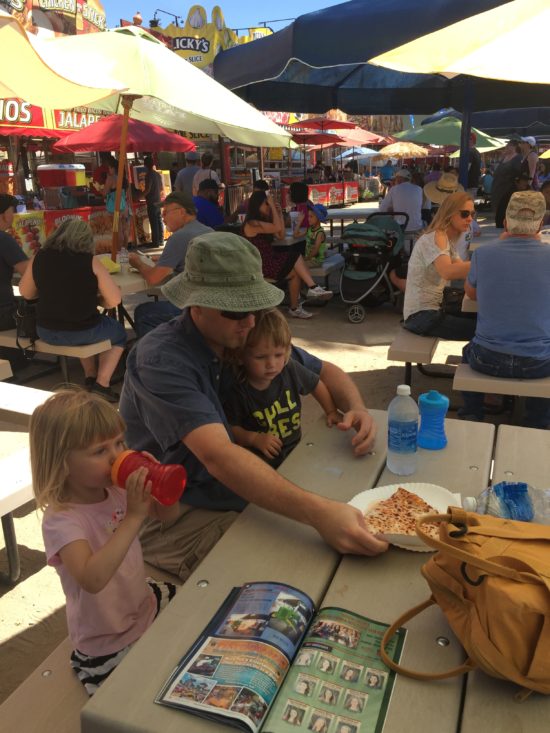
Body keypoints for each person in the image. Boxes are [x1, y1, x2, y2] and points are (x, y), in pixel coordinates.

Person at [118, 232, 387, 581]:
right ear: (194, 305)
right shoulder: (161, 360)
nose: (249, 322)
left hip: (231, 489)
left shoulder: (240, 333)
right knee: (297, 572)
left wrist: (358, 408)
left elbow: (326, 371)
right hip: (175, 512)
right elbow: (220, 458)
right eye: (235, 310)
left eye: (255, 307)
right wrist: (319, 513)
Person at [30, 389, 179, 695]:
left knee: (192, 620)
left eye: (120, 443)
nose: (117, 456)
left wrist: (161, 487)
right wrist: (133, 518)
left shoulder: (114, 489)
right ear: (62, 463)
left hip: (141, 603)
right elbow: (92, 578)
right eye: (100, 451)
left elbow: (168, 516)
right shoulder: (62, 519)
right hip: (105, 636)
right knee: (133, 695)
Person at [459, 191, 550, 427]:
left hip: (487, 357)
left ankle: (472, 415)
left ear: (506, 222)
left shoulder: (483, 254)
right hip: (539, 362)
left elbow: (471, 293)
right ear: (540, 224)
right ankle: (537, 423)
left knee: (468, 350)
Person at [19, 219, 127, 402]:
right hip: (82, 330)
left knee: (84, 327)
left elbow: (26, 293)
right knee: (118, 333)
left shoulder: (39, 257)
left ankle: (90, 376)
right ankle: (102, 383)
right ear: (86, 239)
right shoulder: (89, 261)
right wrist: (101, 301)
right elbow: (115, 299)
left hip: (45, 330)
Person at [224, 309, 339, 468]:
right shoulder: (237, 390)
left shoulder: (289, 369)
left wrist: (331, 411)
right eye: (260, 357)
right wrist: (254, 439)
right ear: (240, 356)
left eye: (278, 355)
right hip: (260, 461)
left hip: (295, 449)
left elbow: (316, 385)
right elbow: (230, 427)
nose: (271, 364)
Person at [129, 192, 212, 338]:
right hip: (211, 304)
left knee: (143, 313)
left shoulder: (179, 237)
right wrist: (166, 258)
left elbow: (153, 279)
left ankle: (155, 356)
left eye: (166, 212)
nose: (163, 218)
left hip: (192, 308)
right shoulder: (208, 230)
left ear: (181, 212)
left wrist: (138, 263)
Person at [243, 191, 333, 319]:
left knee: (295, 272)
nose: (268, 207)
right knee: (295, 255)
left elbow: (281, 235)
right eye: (266, 204)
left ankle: (295, 308)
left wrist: (278, 213)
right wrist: (274, 208)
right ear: (257, 205)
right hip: (261, 265)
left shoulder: (262, 222)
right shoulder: (252, 223)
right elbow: (276, 228)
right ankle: (313, 287)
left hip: (269, 260)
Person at [402, 191, 476, 341]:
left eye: (472, 214)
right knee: (485, 328)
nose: (470, 219)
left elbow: (462, 270)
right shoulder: (437, 237)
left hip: (434, 308)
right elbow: (447, 272)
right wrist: (486, 263)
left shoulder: (445, 238)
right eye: (464, 214)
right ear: (449, 213)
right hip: (420, 316)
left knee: (486, 319)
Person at [0, 193, 29, 371]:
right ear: (3, 214)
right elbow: (29, 273)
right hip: (3, 314)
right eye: (12, 211)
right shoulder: (4, 239)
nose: (14, 215)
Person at [379, 168, 423, 233]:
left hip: (401, 227)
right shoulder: (419, 189)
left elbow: (382, 209)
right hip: (417, 227)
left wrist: (392, 210)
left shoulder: (394, 189)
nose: (394, 181)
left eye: (395, 179)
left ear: (399, 179)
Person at [491, 140, 522, 228]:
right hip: (498, 186)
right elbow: (496, 170)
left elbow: (517, 172)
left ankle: (507, 224)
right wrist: (502, 158)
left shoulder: (517, 158)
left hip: (508, 187)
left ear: (515, 147)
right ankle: (499, 223)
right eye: (507, 146)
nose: (507, 148)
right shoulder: (504, 157)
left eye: (509, 146)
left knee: (505, 206)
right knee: (497, 205)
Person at [143, 156, 164, 248]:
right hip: (158, 199)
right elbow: (161, 188)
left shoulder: (149, 175)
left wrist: (141, 195)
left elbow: (148, 189)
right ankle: (161, 240)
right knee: (159, 220)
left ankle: (155, 242)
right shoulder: (157, 174)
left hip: (151, 201)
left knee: (153, 221)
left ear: (145, 165)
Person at [467, 132, 482, 199]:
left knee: (466, 205)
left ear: (472, 141)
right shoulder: (477, 152)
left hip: (468, 184)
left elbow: (466, 168)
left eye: (469, 139)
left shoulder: (470, 152)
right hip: (474, 183)